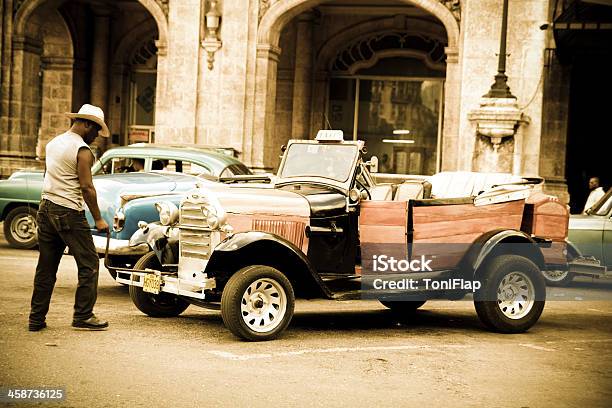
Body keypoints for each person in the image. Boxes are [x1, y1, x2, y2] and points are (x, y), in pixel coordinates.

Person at [29, 104, 110, 332]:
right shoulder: (82, 150)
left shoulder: (53, 144)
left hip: (46, 208)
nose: (96, 137)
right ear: (86, 125)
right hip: (68, 212)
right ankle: (83, 316)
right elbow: (86, 187)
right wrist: (99, 219)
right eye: (95, 131)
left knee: (45, 268)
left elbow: (48, 176)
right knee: (89, 264)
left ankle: (36, 319)